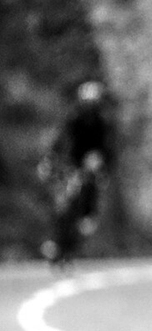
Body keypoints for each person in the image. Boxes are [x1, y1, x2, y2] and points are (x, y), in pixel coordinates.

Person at [39, 80, 116, 261]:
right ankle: (55, 241)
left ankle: (87, 217)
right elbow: (60, 139)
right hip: (70, 163)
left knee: (91, 187)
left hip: (91, 164)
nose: (90, 107)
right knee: (62, 202)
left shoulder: (103, 121)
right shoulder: (73, 117)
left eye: (94, 103)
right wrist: (49, 159)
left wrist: (102, 165)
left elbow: (108, 148)